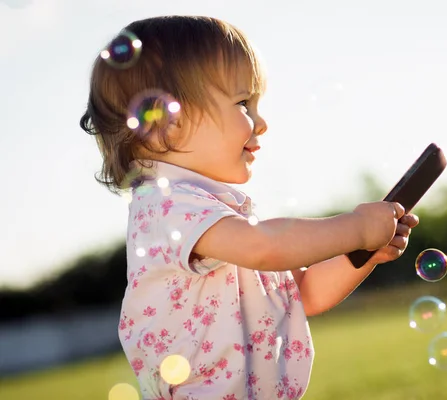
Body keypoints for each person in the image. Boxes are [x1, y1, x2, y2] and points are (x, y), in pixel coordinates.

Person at [80, 15, 419, 400]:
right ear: (165, 121)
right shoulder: (164, 206)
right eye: (244, 103)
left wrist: (364, 254)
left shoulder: (221, 212)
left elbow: (304, 293)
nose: (261, 123)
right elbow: (266, 248)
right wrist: (356, 227)